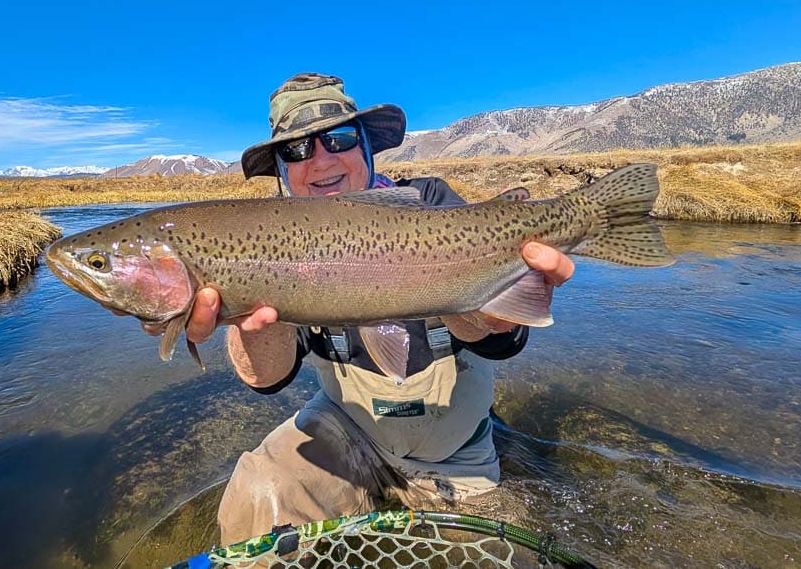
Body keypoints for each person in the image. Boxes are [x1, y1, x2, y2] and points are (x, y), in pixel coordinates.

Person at [162, 73, 575, 545]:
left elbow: (505, 343)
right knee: (259, 492)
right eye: (295, 150)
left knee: (506, 552)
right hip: (348, 433)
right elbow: (267, 379)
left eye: (337, 139)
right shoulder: (269, 238)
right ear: (280, 169)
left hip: (456, 450)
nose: (319, 160)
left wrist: (489, 305)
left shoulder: (430, 204)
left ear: (365, 145)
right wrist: (243, 315)